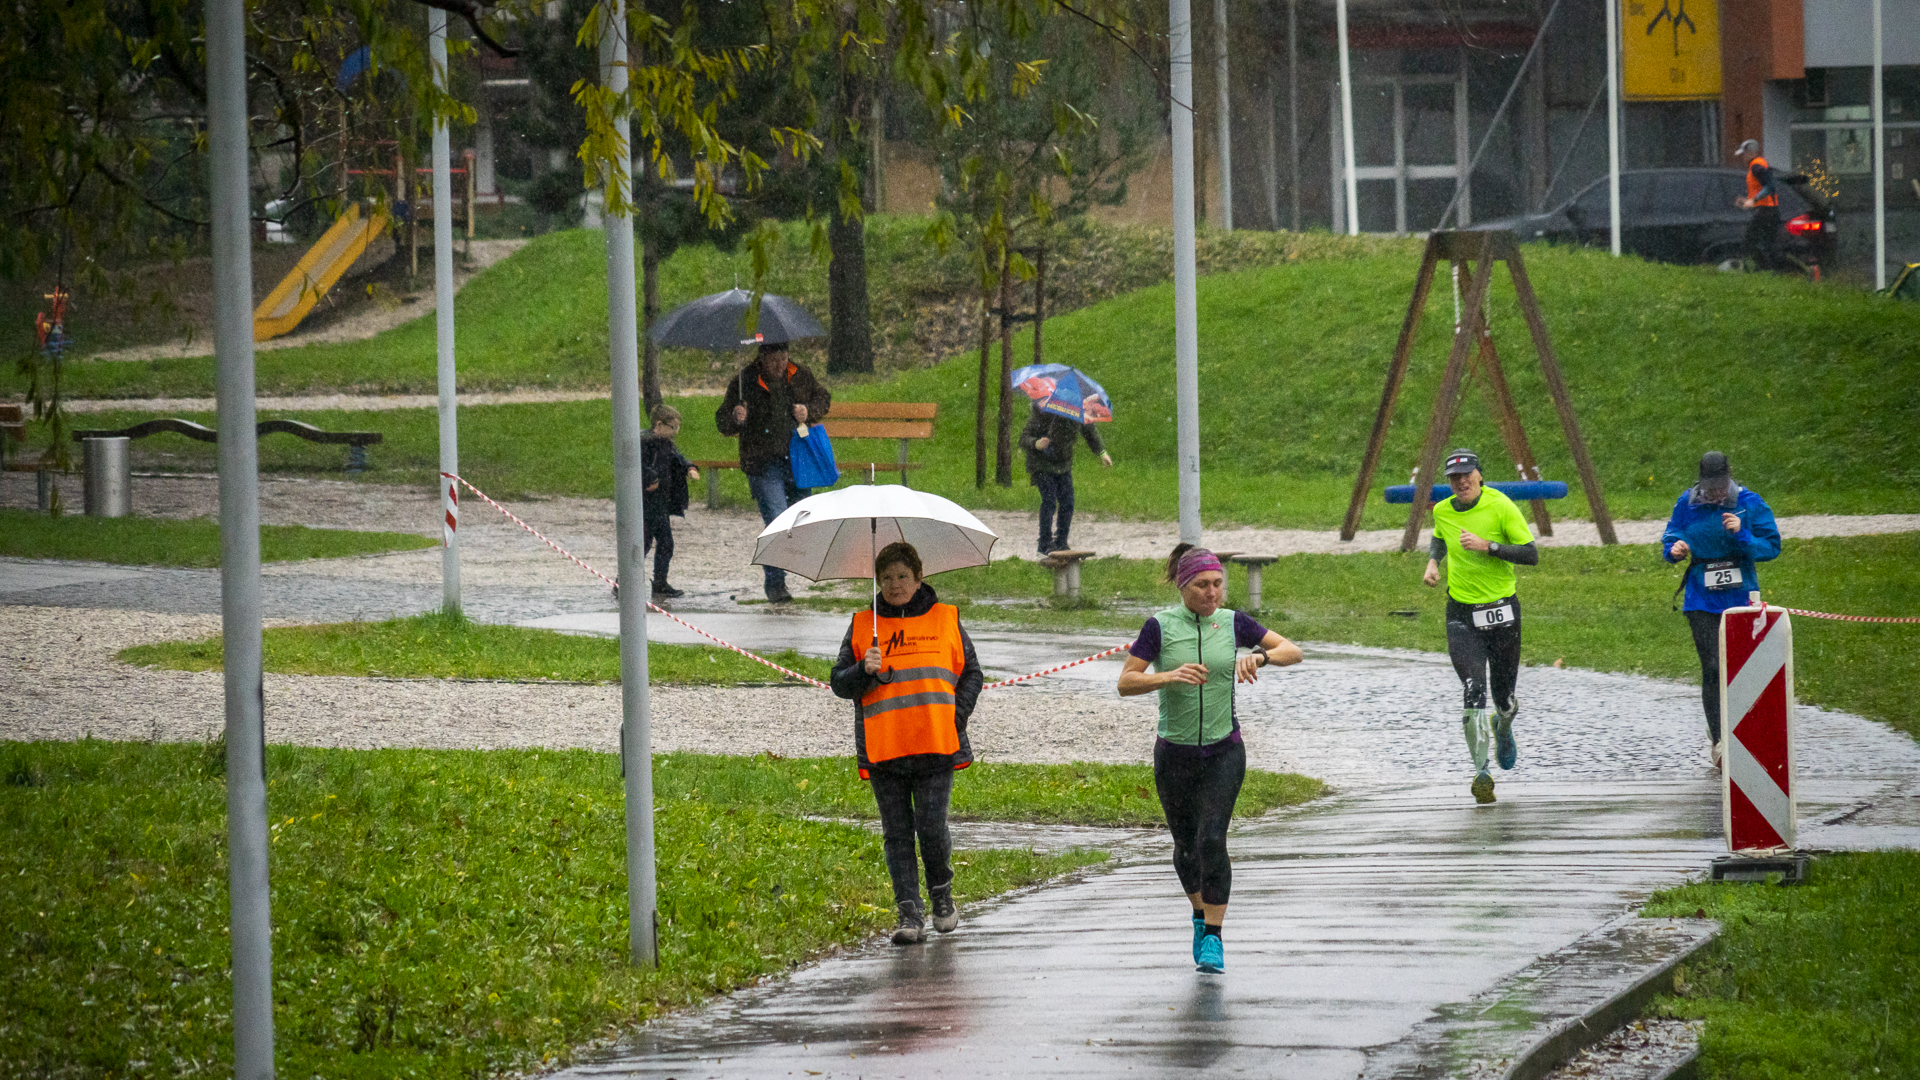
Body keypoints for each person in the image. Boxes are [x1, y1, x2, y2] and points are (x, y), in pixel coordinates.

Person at [1118, 544, 1302, 975]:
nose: (1212, 592)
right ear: (1184, 586)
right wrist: (1168, 676)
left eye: (1218, 584)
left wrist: (1260, 656)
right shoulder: (1160, 626)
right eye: (1202, 585)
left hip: (1224, 751)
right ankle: (1200, 916)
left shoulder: (1234, 622)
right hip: (1174, 754)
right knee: (1186, 846)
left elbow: (1293, 651)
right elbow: (1126, 682)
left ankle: (1215, 938)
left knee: (1212, 840)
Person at [830, 541, 984, 946]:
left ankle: (941, 895)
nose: (895, 585)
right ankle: (909, 912)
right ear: (877, 582)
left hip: (936, 746)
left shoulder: (945, 618)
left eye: (902, 576)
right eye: (886, 578)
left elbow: (972, 673)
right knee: (897, 833)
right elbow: (839, 683)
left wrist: (955, 716)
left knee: (931, 828)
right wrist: (862, 670)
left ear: (919, 578)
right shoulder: (863, 626)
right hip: (886, 750)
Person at [1421, 449, 1539, 805]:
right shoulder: (1443, 510)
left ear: (1479, 475)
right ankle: (1481, 772)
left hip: (1503, 611)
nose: (1461, 482)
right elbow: (1440, 535)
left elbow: (1531, 554)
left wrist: (1489, 546)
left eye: (1467, 475)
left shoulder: (1501, 506)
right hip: (1461, 613)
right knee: (1473, 688)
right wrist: (1432, 562)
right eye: (1454, 477)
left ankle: (1503, 725)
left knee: (1504, 698)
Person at [1660, 451, 1781, 768]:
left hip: (1741, 600)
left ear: (1729, 479)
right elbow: (1671, 535)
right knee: (1713, 668)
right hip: (1701, 600)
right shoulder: (1687, 503)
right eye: (1709, 487)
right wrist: (1674, 549)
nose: (1715, 493)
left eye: (1720, 486)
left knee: (1742, 669)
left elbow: (1772, 546)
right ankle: (1719, 741)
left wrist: (1742, 533)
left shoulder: (1749, 502)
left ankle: (1745, 732)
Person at [715, 340, 832, 603]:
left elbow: (823, 398)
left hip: (798, 460)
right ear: (762, 359)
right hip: (763, 464)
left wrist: (808, 411)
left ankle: (786, 568)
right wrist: (735, 417)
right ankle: (776, 582)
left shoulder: (800, 374)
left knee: (799, 520)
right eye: (774, 360)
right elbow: (722, 422)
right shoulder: (744, 382)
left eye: (783, 358)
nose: (780, 365)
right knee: (776, 521)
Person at [1018, 402, 1113, 555]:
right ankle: (1044, 543)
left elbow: (1089, 431)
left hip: (1063, 463)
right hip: (1041, 464)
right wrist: (1036, 443)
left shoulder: (1078, 411)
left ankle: (1061, 541)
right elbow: (1024, 438)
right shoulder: (1042, 409)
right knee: (1049, 501)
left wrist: (1102, 452)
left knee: (1068, 502)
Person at [640, 404, 699, 600]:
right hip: (646, 504)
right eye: (673, 427)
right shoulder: (646, 442)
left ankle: (660, 583)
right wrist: (651, 478)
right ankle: (623, 581)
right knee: (643, 543)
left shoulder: (667, 443)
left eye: (678, 427)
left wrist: (690, 467)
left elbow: (678, 458)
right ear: (659, 425)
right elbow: (638, 466)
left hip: (661, 504)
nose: (676, 432)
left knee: (666, 543)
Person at [1733, 139, 1781, 272]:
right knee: (1767, 244)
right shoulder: (1758, 165)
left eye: (1744, 154)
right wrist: (1747, 201)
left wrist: (1753, 201)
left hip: (1766, 211)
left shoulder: (1756, 166)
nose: (1743, 157)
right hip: (1768, 210)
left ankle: (1756, 270)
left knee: (1750, 242)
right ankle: (1772, 271)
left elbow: (1770, 187)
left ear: (1751, 153)